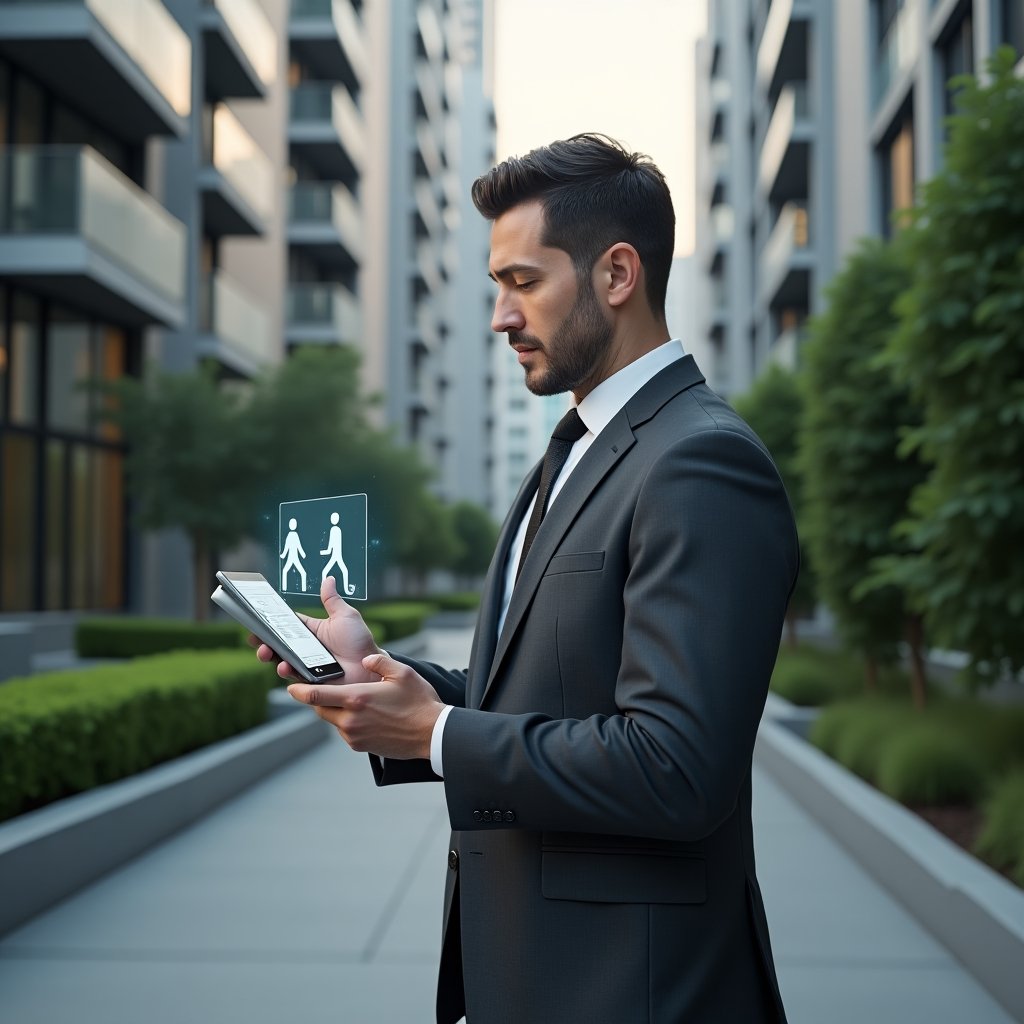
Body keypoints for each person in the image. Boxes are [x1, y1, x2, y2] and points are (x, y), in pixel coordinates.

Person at [254, 133, 799, 1024]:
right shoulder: (574, 451)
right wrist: (390, 679)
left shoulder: (701, 463)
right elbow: (543, 690)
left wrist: (435, 735)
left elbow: (675, 766)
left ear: (617, 274)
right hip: (537, 977)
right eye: (497, 286)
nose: (501, 317)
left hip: (635, 991)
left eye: (523, 282)